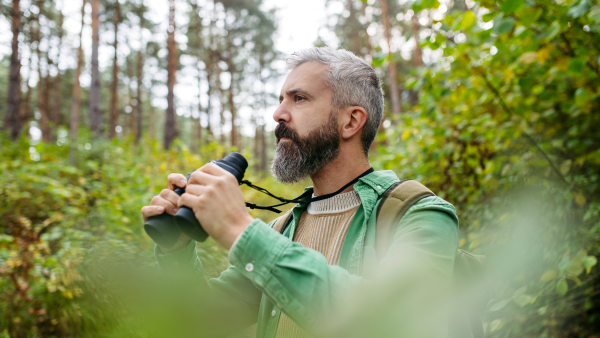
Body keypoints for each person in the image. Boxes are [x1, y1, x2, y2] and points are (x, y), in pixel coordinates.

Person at [140, 47, 459, 338]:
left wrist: (239, 230)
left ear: (350, 121)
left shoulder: (420, 214)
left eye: (299, 98)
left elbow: (390, 317)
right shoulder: (280, 231)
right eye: (280, 100)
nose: (278, 114)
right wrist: (176, 251)